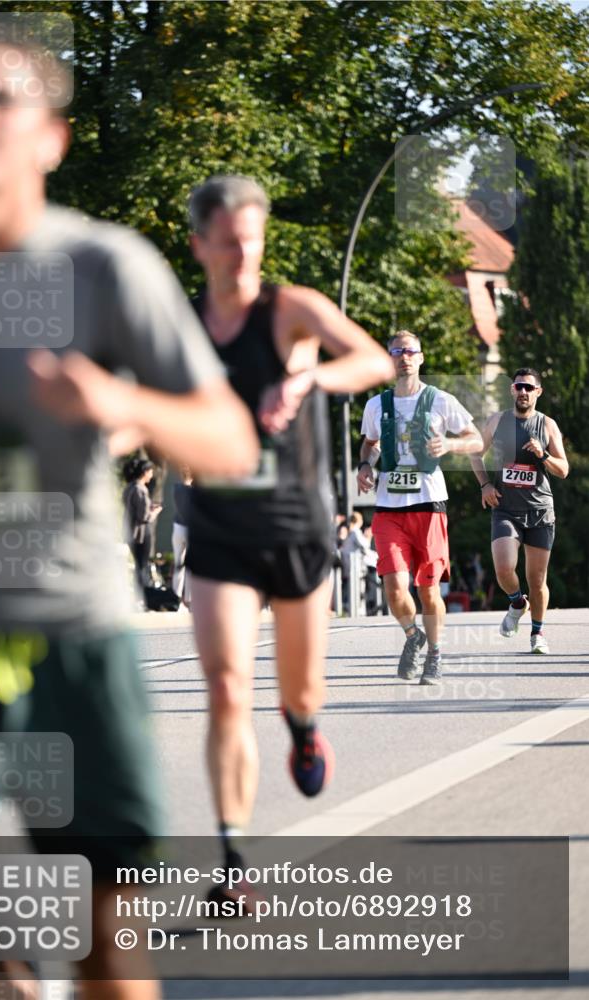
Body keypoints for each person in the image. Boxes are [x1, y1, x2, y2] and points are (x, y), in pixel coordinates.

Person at [0, 41, 258, 999]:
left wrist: (123, 404)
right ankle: (8, 979)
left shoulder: (104, 268)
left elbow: (228, 440)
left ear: (52, 139)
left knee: (110, 941)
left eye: (1, 99)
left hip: (73, 629)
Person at [184, 174, 395, 903]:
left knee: (296, 691)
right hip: (217, 530)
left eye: (253, 243)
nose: (244, 257)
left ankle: (305, 729)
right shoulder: (178, 326)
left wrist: (307, 383)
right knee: (225, 687)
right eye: (229, 244)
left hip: (296, 529)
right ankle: (232, 861)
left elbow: (373, 360)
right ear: (199, 245)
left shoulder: (290, 309)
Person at [357, 330, 483, 684]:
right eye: (397, 352)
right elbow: (369, 445)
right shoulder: (376, 405)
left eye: (410, 351)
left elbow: (476, 439)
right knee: (395, 589)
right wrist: (365, 466)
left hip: (429, 505)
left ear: (421, 357)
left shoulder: (441, 400)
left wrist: (450, 446)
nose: (404, 357)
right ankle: (415, 636)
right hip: (388, 508)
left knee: (428, 591)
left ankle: (436, 653)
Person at [470, 367, 569, 653]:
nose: (522, 392)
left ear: (538, 392)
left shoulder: (547, 425)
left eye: (528, 387)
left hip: (539, 510)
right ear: (511, 390)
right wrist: (485, 485)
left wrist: (544, 454)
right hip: (505, 509)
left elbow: (563, 470)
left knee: (537, 581)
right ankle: (516, 602)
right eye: (518, 387)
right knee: (503, 568)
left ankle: (537, 634)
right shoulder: (496, 421)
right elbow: (475, 453)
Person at [122, 458, 160, 596]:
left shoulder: (129, 487)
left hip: (130, 531)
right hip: (141, 533)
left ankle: (139, 595)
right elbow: (144, 517)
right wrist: (155, 511)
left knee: (138, 565)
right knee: (142, 566)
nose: (151, 474)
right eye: (150, 471)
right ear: (144, 472)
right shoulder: (140, 489)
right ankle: (143, 596)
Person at [172, 466, 193, 606]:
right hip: (190, 528)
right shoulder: (194, 491)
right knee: (192, 566)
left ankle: (175, 598)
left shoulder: (176, 488)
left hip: (177, 527)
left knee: (178, 563)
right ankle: (189, 599)